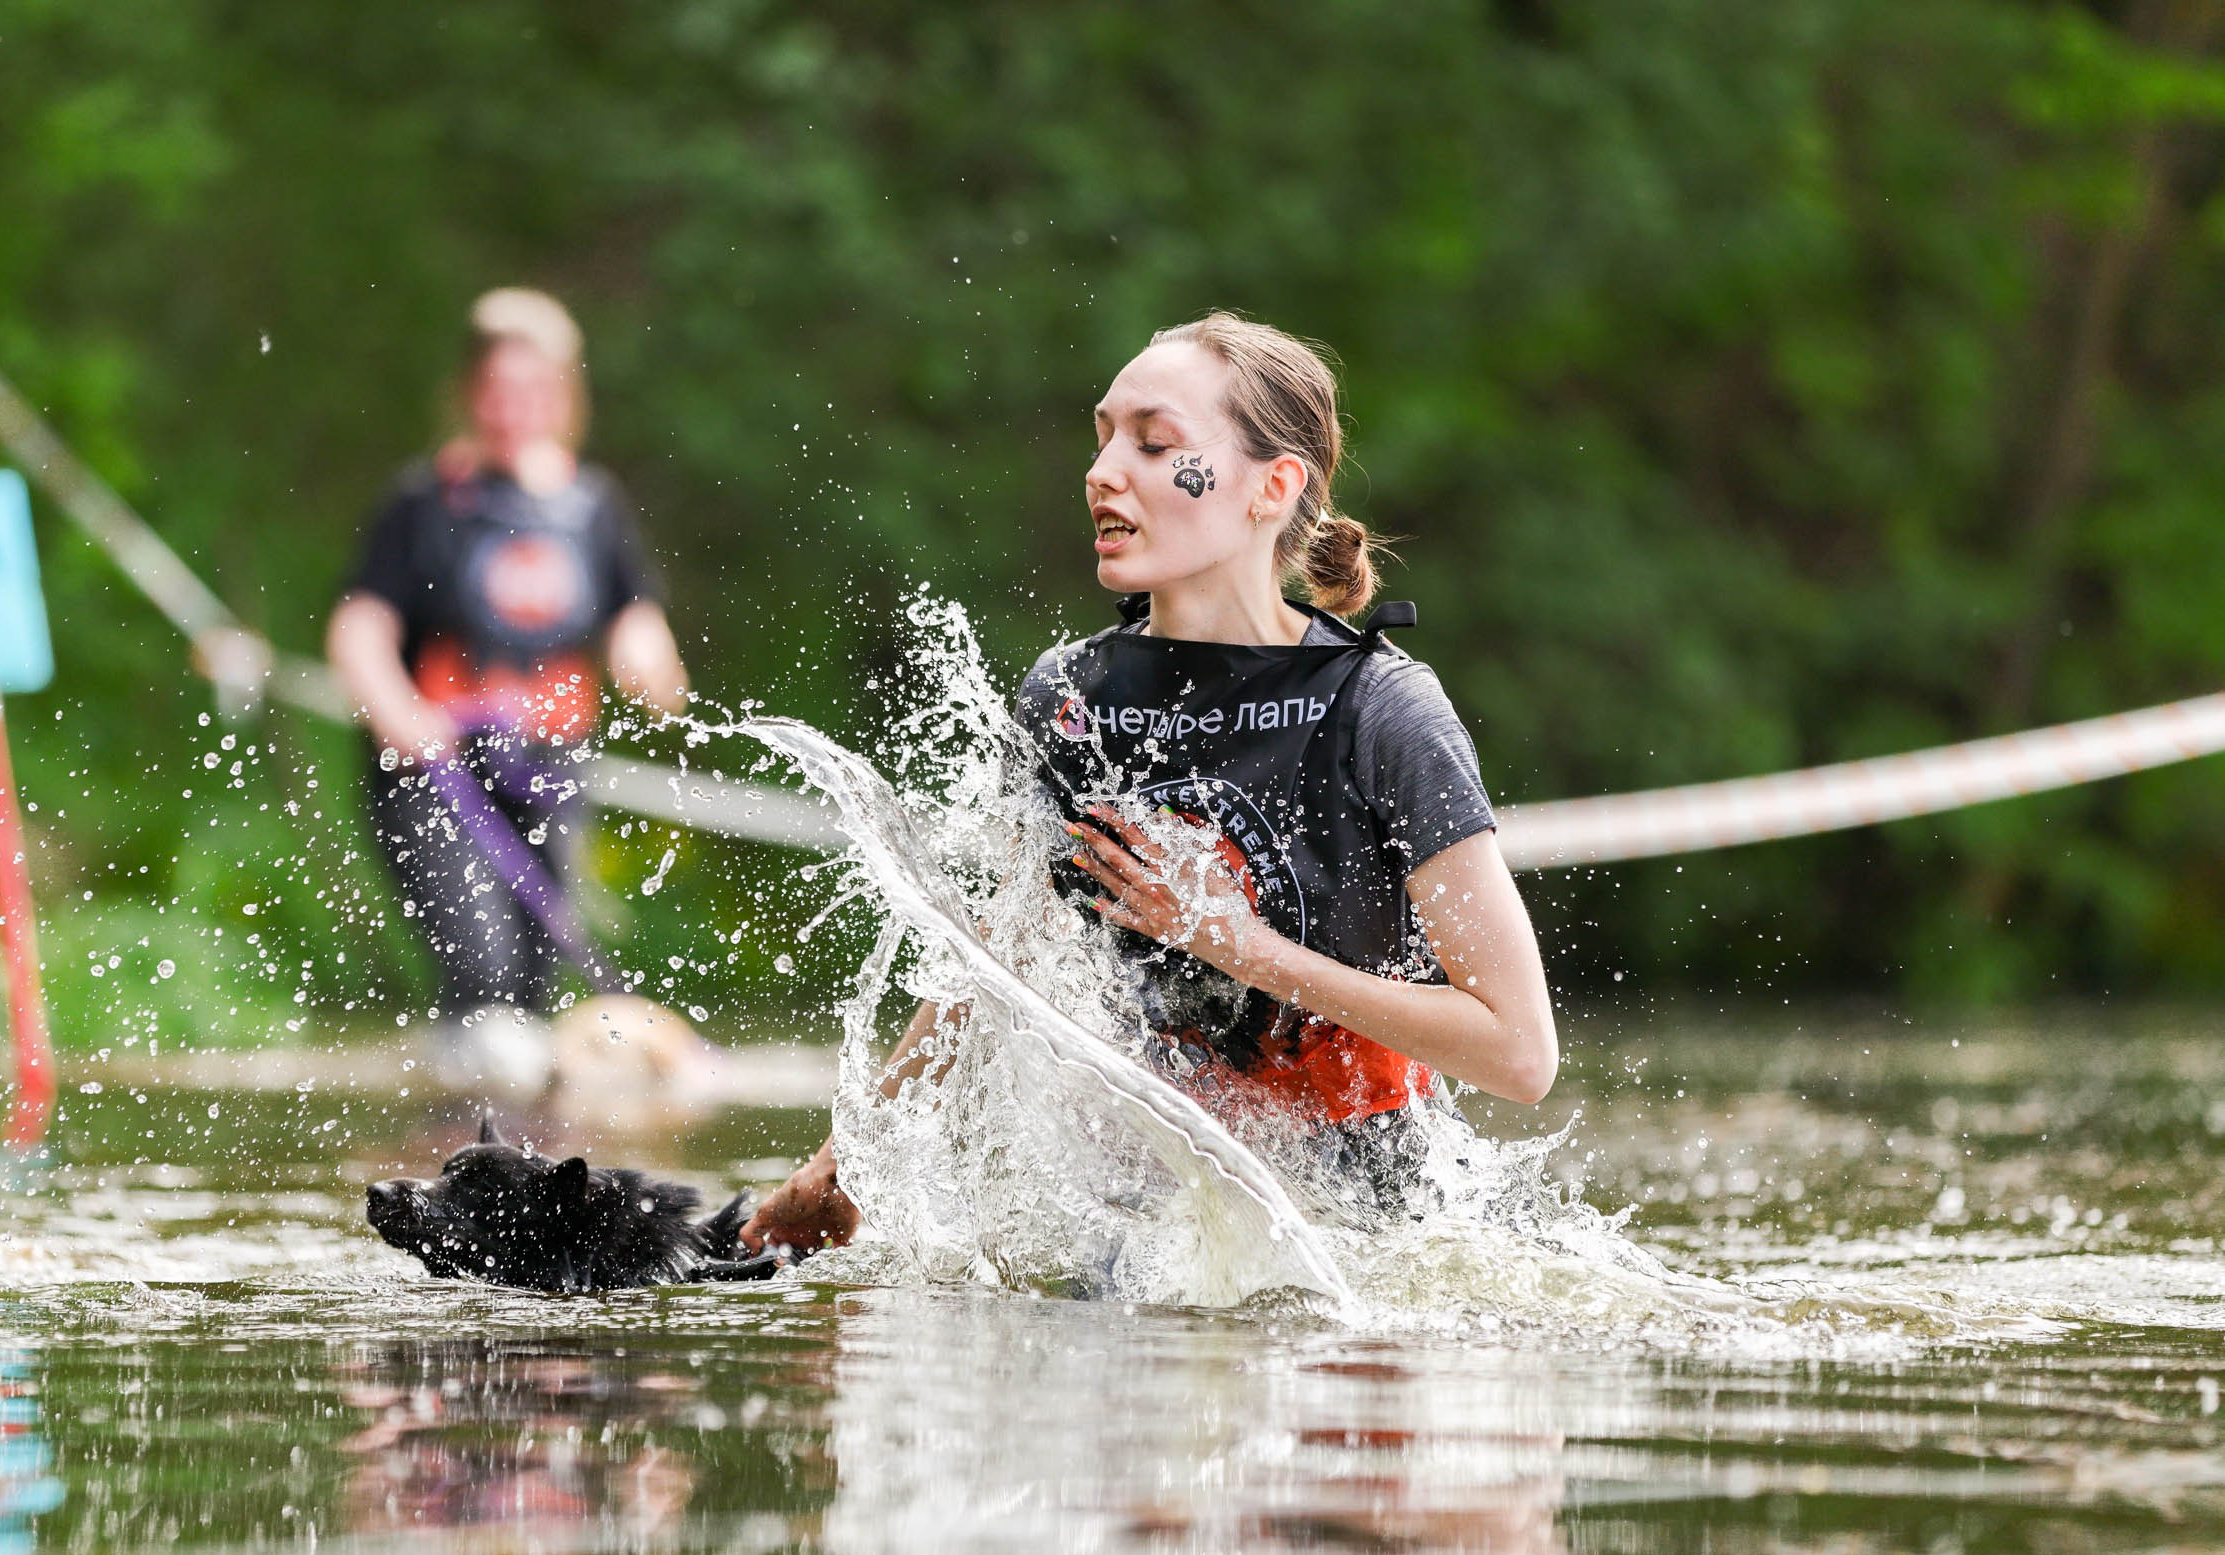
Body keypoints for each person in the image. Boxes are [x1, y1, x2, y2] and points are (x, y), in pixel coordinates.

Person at [744, 311, 1556, 1252]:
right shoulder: (1069, 694)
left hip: (1365, 1242)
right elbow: (1003, 958)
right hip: (1138, 1235)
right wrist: (846, 1159)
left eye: (1153, 441)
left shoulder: (1382, 710)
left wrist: (1232, 944)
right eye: (1101, 439)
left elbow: (1519, 1052)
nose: (1101, 471)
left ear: (1272, 486)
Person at [327, 288, 689, 1057]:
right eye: (494, 389)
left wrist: (647, 654)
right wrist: (395, 707)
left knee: (532, 981)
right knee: (480, 971)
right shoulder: (422, 503)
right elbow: (360, 626)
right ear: (466, 394)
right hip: (435, 769)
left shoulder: (593, 507)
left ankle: (525, 1149)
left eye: (530, 390)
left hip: (550, 768)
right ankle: (462, 1137)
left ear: (563, 396)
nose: (510, 407)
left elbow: (636, 611)